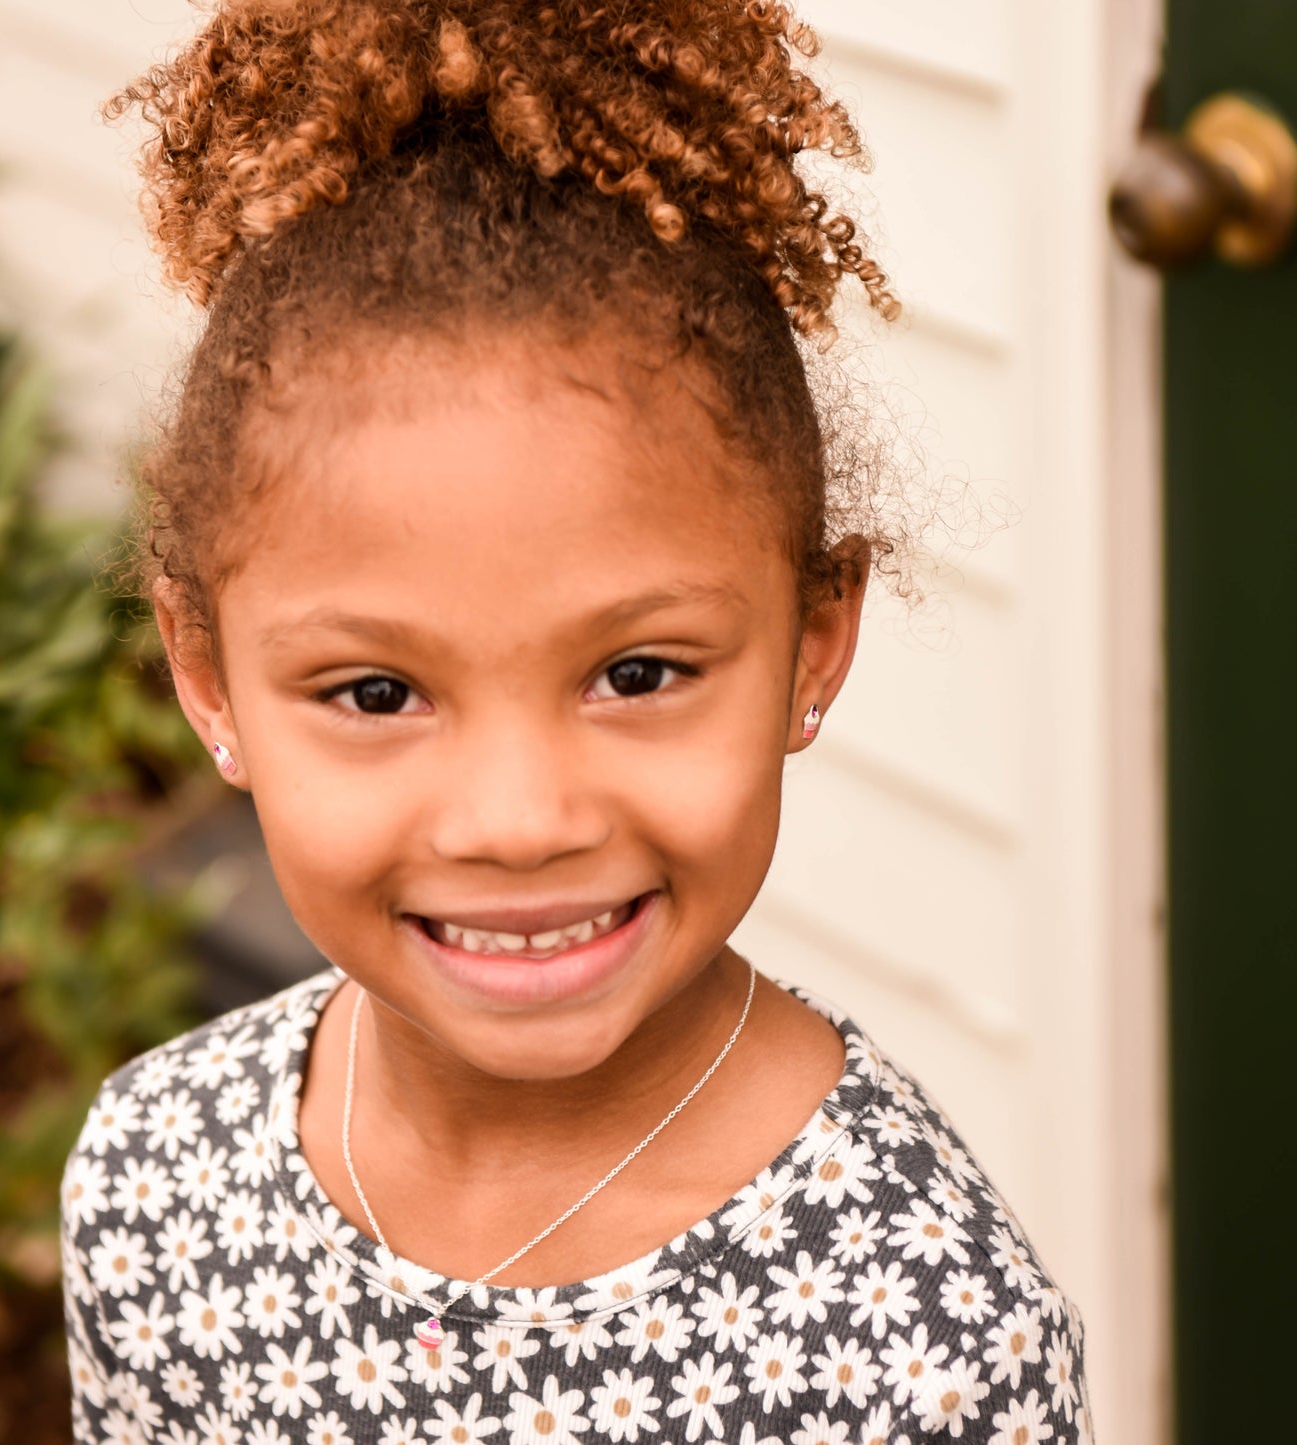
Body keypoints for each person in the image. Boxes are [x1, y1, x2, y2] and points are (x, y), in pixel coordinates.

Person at [61, 3, 1093, 1442]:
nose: (519, 817)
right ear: (206, 677)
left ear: (811, 640)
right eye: (375, 694)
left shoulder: (918, 1335)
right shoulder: (154, 1180)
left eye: (637, 673)